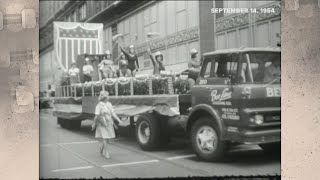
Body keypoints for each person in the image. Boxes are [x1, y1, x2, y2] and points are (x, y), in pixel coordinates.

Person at [91, 91, 123, 159]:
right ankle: (106, 152)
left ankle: (102, 147)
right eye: (108, 95)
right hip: (102, 123)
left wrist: (119, 120)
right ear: (104, 97)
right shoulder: (99, 105)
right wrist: (94, 124)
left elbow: (113, 113)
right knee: (105, 137)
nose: (109, 97)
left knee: (107, 139)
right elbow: (96, 116)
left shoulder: (109, 104)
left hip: (109, 123)